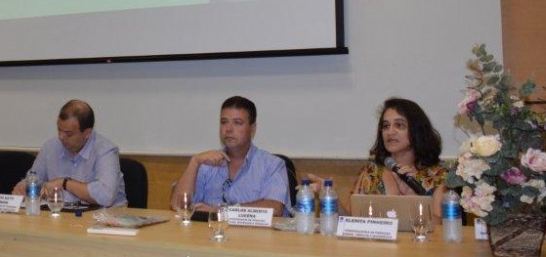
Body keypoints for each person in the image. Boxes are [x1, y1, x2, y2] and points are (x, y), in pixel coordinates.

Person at [311, 97, 447, 220]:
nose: (390, 132)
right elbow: (350, 220)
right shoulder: (371, 173)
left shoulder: (437, 177)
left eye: (399, 125)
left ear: (417, 131)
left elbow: (440, 228)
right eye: (386, 126)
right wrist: (331, 198)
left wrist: (412, 196)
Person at [172, 96, 290, 216]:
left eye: (237, 123)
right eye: (224, 122)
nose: (228, 129)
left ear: (252, 129)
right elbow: (177, 206)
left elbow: (275, 208)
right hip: (209, 228)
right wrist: (194, 162)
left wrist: (220, 211)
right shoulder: (206, 163)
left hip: (250, 229)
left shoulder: (272, 165)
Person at [12, 99, 127, 207]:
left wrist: (65, 183)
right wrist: (24, 187)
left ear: (87, 133)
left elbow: (106, 196)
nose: (61, 137)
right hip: (60, 214)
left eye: (68, 134)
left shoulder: (106, 150)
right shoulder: (50, 147)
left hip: (103, 217)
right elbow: (34, 179)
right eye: (59, 130)